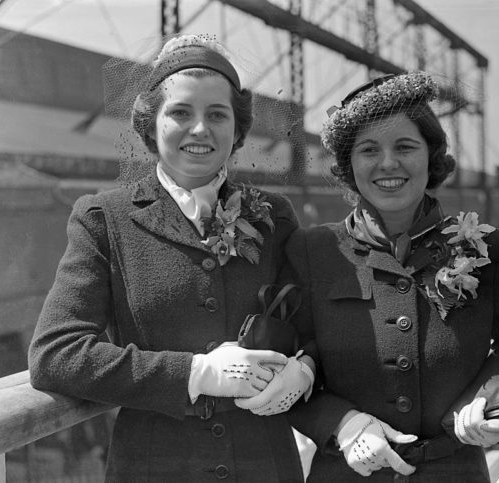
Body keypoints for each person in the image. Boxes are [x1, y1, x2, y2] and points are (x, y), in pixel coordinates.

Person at [28, 34, 314, 483]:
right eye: (180, 112)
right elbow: (56, 355)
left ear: (237, 131)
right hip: (154, 467)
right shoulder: (105, 218)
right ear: (151, 124)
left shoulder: (274, 216)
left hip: (266, 465)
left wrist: (305, 369)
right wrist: (195, 374)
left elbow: (313, 325)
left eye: (217, 115)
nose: (199, 129)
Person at [283, 72, 499, 482]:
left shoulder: (492, 251)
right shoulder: (313, 252)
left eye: (405, 146)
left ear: (432, 155)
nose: (388, 163)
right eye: (368, 149)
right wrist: (341, 423)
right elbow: (290, 371)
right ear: (348, 165)